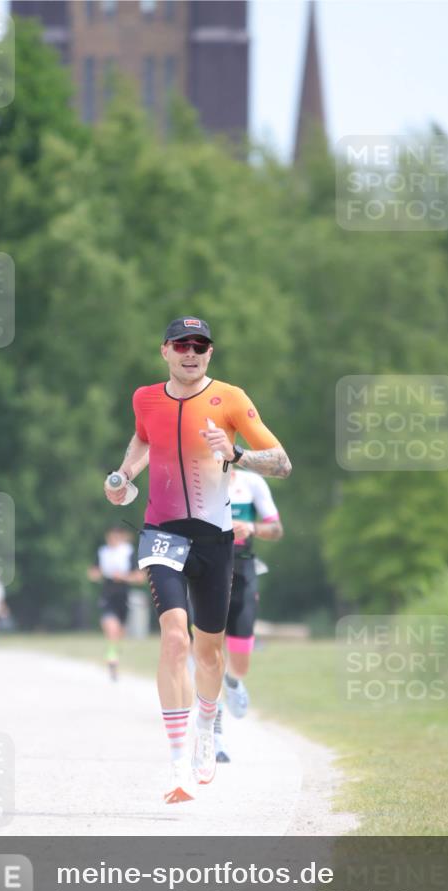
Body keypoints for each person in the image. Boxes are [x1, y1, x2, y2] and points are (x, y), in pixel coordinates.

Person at [105, 316, 291, 803]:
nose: (191, 353)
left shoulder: (231, 398)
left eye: (200, 346)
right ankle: (177, 766)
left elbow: (282, 463)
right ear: (165, 350)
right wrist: (124, 475)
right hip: (162, 533)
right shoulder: (145, 398)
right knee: (174, 639)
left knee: (209, 654)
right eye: (182, 345)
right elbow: (144, 438)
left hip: (215, 540)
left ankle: (206, 729)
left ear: (210, 353)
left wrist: (237, 454)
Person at [214, 468, 284, 763]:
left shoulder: (252, 482)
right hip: (208, 571)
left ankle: (232, 682)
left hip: (243, 570)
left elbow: (276, 530)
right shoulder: (194, 480)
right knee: (209, 655)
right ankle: (215, 734)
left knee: (240, 661)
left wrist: (251, 528)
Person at [87, 527, 145, 680]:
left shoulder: (128, 552)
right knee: (111, 629)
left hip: (124, 597)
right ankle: (112, 660)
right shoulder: (103, 552)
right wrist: (96, 574)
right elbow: (92, 572)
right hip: (107, 596)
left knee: (119, 633)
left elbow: (140, 577)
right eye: (110, 537)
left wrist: (123, 577)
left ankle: (113, 653)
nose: (112, 540)